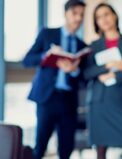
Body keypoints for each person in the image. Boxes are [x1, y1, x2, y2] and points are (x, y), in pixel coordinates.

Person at [22, 1, 86, 159]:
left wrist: (75, 70)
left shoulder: (81, 45)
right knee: (40, 145)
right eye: (74, 13)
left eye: (81, 15)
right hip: (47, 98)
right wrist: (46, 54)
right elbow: (27, 60)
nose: (78, 18)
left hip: (68, 101)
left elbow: (84, 79)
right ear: (65, 14)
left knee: (66, 148)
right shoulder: (47, 34)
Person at [82, 3, 122, 159]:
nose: (104, 19)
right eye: (99, 17)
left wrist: (116, 76)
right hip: (100, 101)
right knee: (101, 147)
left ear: (115, 15)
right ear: (96, 22)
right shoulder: (94, 46)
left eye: (107, 14)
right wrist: (107, 67)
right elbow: (87, 73)